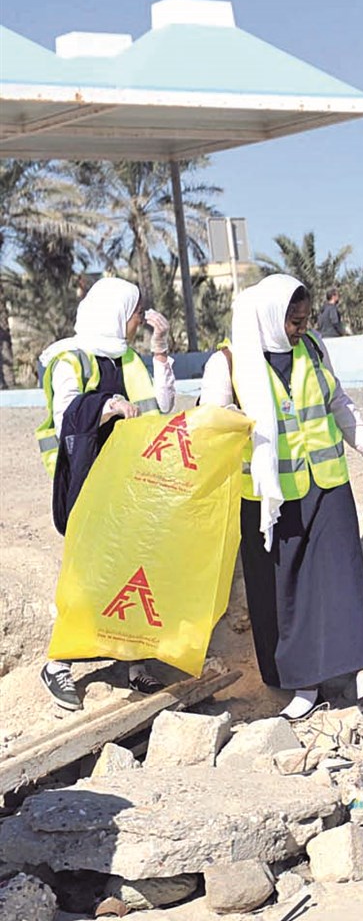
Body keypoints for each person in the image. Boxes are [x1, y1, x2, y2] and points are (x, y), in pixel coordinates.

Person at [199, 275, 363, 718]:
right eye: (294, 322)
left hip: (326, 483)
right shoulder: (227, 363)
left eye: (305, 320)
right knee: (285, 591)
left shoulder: (314, 348)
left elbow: (338, 401)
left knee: (342, 576)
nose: (301, 329)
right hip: (269, 497)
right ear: (269, 318)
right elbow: (210, 421)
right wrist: (234, 416)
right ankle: (303, 686)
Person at [36, 277, 175, 710]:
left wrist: (161, 349)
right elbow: (66, 418)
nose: (138, 320)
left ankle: (135, 661)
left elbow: (162, 406)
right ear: (116, 313)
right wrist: (106, 406)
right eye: (136, 314)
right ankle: (58, 663)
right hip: (85, 481)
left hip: (129, 480)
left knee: (133, 569)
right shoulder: (69, 359)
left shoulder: (127, 358)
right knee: (86, 573)